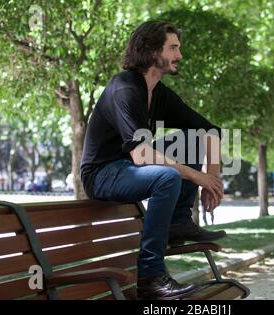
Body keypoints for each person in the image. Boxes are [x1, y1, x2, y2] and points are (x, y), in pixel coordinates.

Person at [80, 21, 227, 300]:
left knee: (192, 137)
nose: (179, 55)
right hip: (102, 173)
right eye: (173, 48)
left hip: (129, 168)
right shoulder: (124, 88)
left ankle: (178, 223)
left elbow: (211, 132)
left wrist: (214, 180)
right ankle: (150, 279)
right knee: (166, 175)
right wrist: (199, 177)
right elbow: (142, 153)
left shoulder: (158, 93)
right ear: (150, 51)